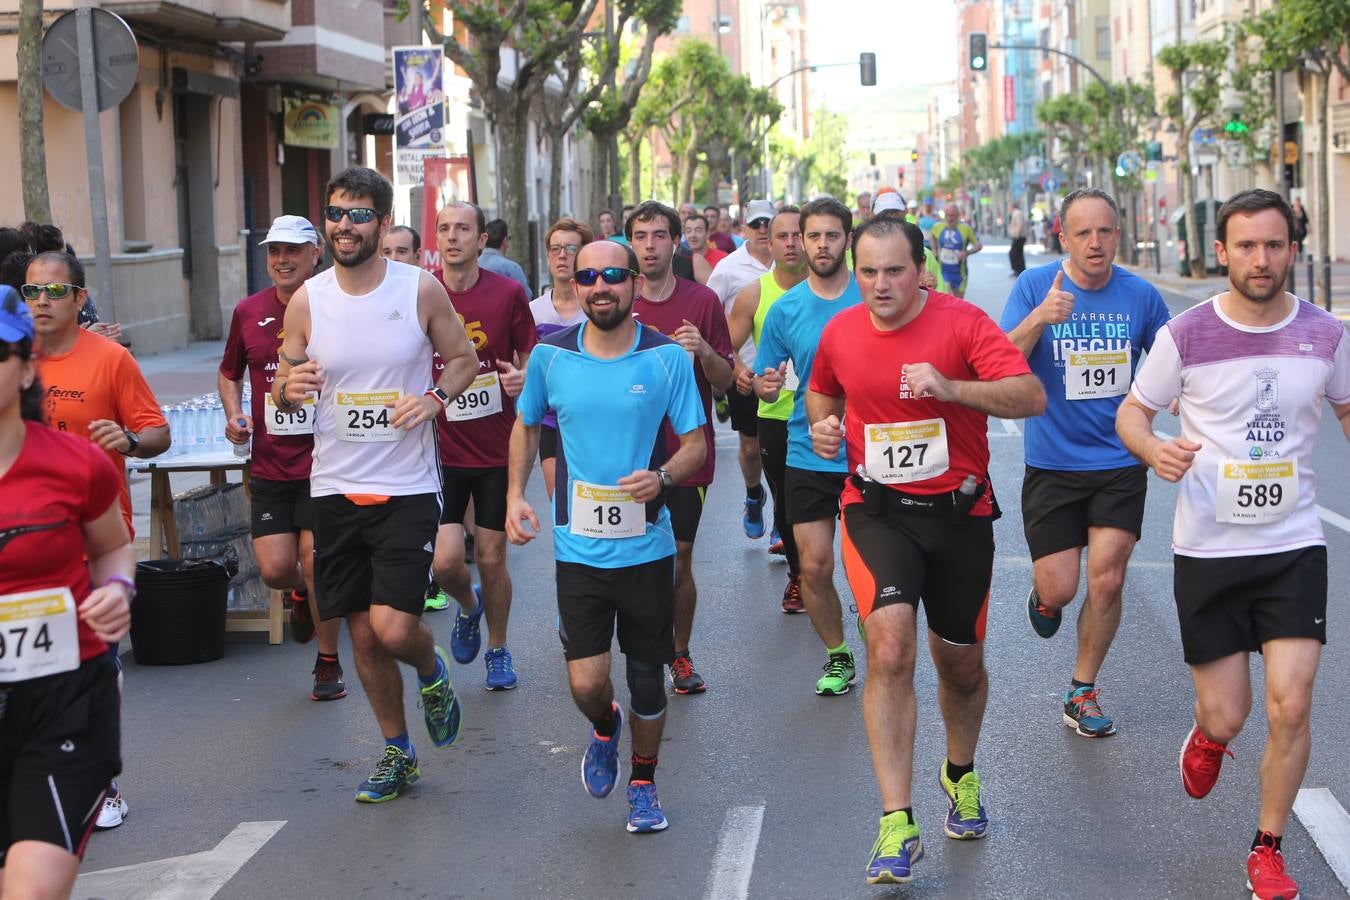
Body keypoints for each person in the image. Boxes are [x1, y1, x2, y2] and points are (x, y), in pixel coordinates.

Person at [1116, 189, 1349, 900]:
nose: (1261, 259)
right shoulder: (1187, 334)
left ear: (1292, 250)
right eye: (1246, 246)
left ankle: (1267, 848)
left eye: (1274, 245)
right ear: (1221, 253)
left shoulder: (1328, 334)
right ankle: (1209, 736)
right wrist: (1154, 451)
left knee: (1291, 703)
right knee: (1230, 712)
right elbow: (1133, 411)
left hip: (1294, 544)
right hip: (1210, 551)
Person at [807, 216, 1044, 885]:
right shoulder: (842, 332)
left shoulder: (963, 324)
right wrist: (825, 429)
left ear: (922, 271)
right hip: (877, 512)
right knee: (889, 648)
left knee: (960, 666)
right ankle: (895, 822)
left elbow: (1030, 395)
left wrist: (951, 388)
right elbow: (823, 391)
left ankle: (960, 772)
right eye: (869, 271)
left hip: (959, 515)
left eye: (894, 271)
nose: (881, 285)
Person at [272, 166, 480, 802]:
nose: (344, 225)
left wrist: (436, 399)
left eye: (359, 215)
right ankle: (397, 751)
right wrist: (290, 385)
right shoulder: (308, 298)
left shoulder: (418, 289)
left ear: (383, 224)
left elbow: (465, 359)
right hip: (333, 485)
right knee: (361, 632)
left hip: (407, 485)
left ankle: (431, 667)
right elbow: (283, 375)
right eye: (335, 213)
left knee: (393, 629)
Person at [506, 239, 706, 835]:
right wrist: (516, 495)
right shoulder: (549, 357)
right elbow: (523, 429)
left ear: (633, 285)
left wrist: (665, 475)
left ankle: (643, 782)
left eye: (612, 275)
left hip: (648, 550)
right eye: (588, 275)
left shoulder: (667, 359)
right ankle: (603, 724)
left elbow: (695, 444)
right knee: (588, 682)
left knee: (647, 675)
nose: (599, 286)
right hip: (579, 551)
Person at [999, 188, 1171, 737]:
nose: (1095, 243)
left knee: (1109, 576)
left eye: (1105, 232)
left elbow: (1174, 366)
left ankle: (1082, 689)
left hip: (1121, 459)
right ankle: (1044, 598)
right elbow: (999, 359)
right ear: (1062, 236)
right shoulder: (1035, 287)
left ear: (1118, 234)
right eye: (1083, 233)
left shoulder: (1141, 296)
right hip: (1053, 462)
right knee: (1062, 588)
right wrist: (1040, 319)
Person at [23, 251, 169, 830]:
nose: (41, 302)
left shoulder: (110, 359)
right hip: (25, 544)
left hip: (97, 538)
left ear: (79, 299)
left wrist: (129, 441)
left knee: (94, 666)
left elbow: (158, 432)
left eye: (54, 292)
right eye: (31, 292)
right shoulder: (13, 361)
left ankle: (102, 785)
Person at [0, 288, 137, 900]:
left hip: (61, 701)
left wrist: (118, 587)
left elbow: (111, 546)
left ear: (28, 367)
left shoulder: (77, 464)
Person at [220, 215, 346, 701]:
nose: (282, 260)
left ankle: (328, 663)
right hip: (271, 465)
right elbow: (229, 371)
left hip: (327, 465)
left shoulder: (337, 307)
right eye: (274, 251)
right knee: (275, 569)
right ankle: (299, 597)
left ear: (316, 254)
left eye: (293, 250)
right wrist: (235, 416)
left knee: (319, 565)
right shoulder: (248, 311)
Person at [754, 197, 862, 696]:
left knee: (873, 568)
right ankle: (838, 655)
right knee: (814, 566)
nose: (820, 245)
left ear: (848, 239)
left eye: (831, 235)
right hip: (808, 449)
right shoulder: (785, 309)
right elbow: (767, 377)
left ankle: (878, 630)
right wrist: (765, 385)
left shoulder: (874, 295)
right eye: (811, 236)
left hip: (874, 454)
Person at [627, 201, 734, 694]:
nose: (650, 245)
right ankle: (637, 648)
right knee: (630, 561)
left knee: (678, 560)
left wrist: (704, 349)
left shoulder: (702, 302)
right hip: (626, 457)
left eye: (658, 235)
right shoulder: (617, 302)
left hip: (687, 456)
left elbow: (727, 380)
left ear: (676, 242)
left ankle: (680, 653)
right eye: (641, 236)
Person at [428, 202, 536, 691]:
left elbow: (529, 356)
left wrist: (522, 379)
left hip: (496, 445)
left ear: (481, 240)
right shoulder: (420, 292)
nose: (453, 237)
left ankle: (498, 648)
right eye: (445, 229)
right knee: (446, 561)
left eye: (462, 229)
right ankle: (469, 605)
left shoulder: (508, 294)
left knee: (492, 556)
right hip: (437, 448)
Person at [727, 206, 807, 607]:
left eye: (799, 235)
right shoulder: (755, 293)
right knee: (790, 505)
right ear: (769, 244)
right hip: (776, 414)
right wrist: (742, 372)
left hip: (833, 415)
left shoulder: (841, 289)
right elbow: (726, 347)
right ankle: (799, 576)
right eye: (783, 237)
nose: (791, 243)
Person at [707, 199, 776, 542]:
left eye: (769, 224)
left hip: (788, 375)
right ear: (745, 228)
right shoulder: (729, 268)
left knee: (784, 447)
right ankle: (753, 495)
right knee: (751, 448)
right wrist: (726, 363)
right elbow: (709, 309)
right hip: (744, 371)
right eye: (757, 224)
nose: (763, 230)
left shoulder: (793, 263)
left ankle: (784, 516)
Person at [530, 217, 593, 499]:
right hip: (552, 421)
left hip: (595, 417)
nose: (561, 255)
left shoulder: (599, 305)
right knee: (561, 503)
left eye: (570, 248)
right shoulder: (533, 310)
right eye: (554, 248)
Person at [930, 204, 982, 299]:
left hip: (960, 273)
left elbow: (978, 245)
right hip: (943, 271)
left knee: (958, 302)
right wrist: (934, 249)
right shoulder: (938, 227)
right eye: (947, 215)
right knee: (945, 298)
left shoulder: (966, 228)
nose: (949, 218)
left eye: (952, 215)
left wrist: (966, 253)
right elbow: (932, 236)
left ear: (958, 215)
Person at [479, 219, 531, 294]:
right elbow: (526, 296)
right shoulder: (511, 268)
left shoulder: (472, 266)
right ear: (504, 240)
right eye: (509, 238)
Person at [1007, 202, 1027, 276]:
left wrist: (1017, 235)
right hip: (1019, 236)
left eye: (1009, 207)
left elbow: (1019, 224)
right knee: (1018, 253)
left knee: (1013, 253)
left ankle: (1017, 270)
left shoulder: (1017, 213)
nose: (1008, 209)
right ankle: (1020, 270)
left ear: (1012, 207)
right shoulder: (1017, 213)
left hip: (1018, 236)